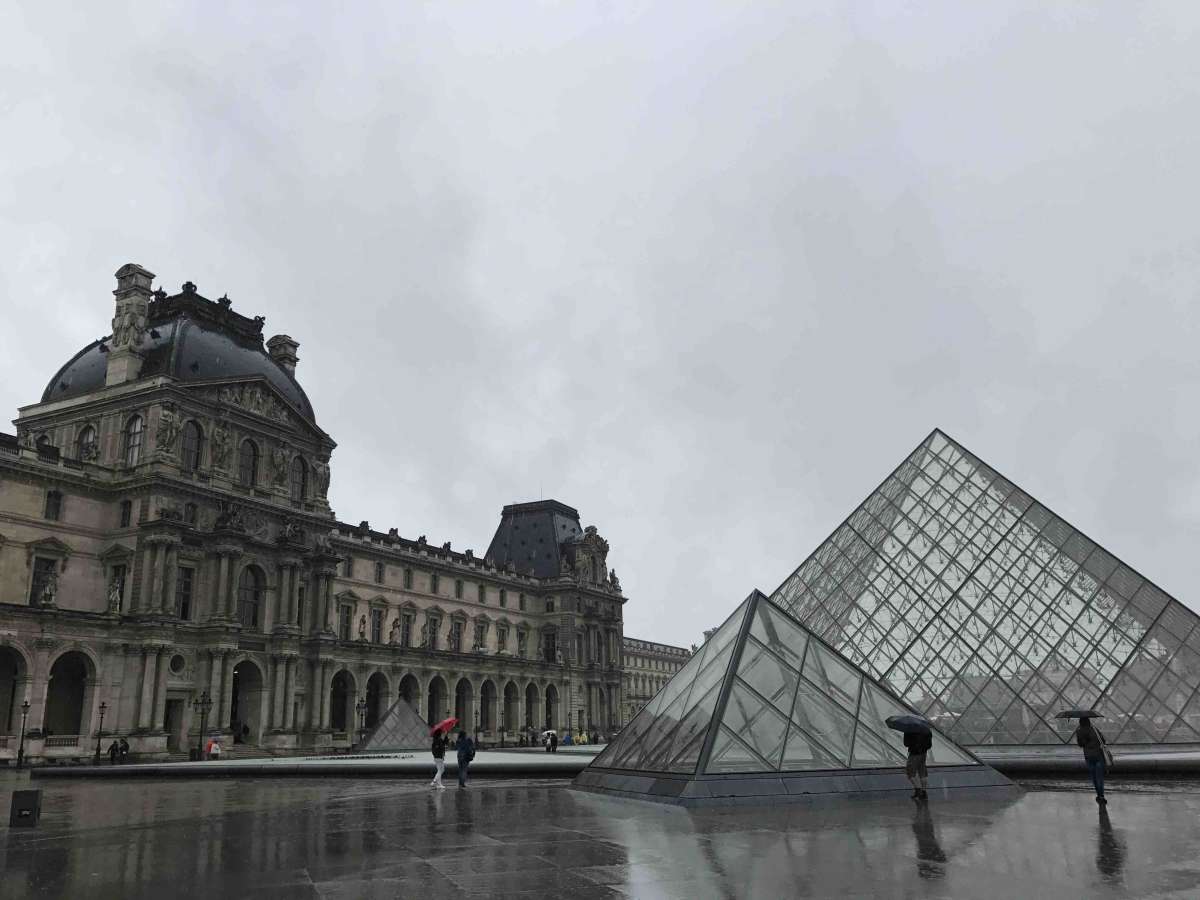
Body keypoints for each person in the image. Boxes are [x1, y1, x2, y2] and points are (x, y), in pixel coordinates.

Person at [1073, 716, 1108, 804]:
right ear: (1088, 721)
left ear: (1080, 722)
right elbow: (1103, 741)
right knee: (1100, 777)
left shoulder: (1079, 731)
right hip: (1098, 755)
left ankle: (1098, 795)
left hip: (1088, 757)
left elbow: (1080, 744)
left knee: (1094, 777)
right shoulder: (1095, 730)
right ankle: (1101, 795)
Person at [904, 729, 932, 800]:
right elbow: (929, 745)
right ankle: (924, 792)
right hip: (923, 754)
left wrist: (914, 744)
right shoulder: (927, 730)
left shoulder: (909, 729)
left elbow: (906, 743)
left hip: (914, 754)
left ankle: (918, 790)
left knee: (910, 772)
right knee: (922, 772)